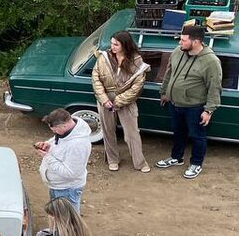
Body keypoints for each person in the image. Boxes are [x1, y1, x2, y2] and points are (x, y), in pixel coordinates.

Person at [157, 23, 223, 179]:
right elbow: (169, 72)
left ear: (196, 42)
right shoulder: (178, 51)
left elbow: (215, 87)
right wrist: (164, 92)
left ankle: (196, 164)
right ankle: (176, 158)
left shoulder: (211, 62)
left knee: (197, 136)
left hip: (195, 107)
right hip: (174, 103)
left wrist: (208, 110)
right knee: (178, 132)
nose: (180, 43)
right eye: (180, 39)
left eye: (183, 40)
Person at [91, 31, 150, 173]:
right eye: (112, 43)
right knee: (108, 131)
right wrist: (104, 100)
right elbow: (96, 78)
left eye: (116, 44)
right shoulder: (104, 57)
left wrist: (118, 101)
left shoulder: (137, 61)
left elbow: (137, 87)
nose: (112, 47)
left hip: (126, 101)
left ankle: (140, 163)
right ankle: (112, 160)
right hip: (105, 99)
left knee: (132, 133)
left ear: (125, 45)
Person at [36, 108, 92, 211]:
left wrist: (47, 156)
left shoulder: (78, 145)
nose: (54, 133)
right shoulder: (67, 131)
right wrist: (48, 144)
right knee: (57, 216)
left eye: (55, 130)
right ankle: (56, 228)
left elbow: (70, 173)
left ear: (64, 125)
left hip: (67, 189)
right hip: (57, 185)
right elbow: (59, 141)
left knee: (68, 222)